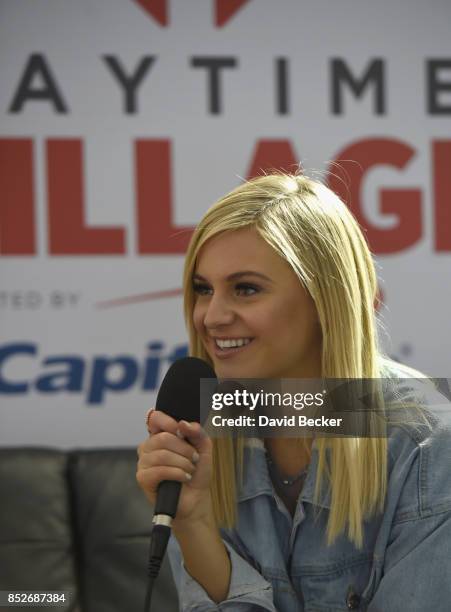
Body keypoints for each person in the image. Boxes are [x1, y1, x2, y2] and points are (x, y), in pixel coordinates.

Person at [136, 173, 451, 611]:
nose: (210, 316)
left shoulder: (430, 437)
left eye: (245, 289)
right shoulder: (214, 419)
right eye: (203, 289)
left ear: (325, 299)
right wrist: (193, 522)